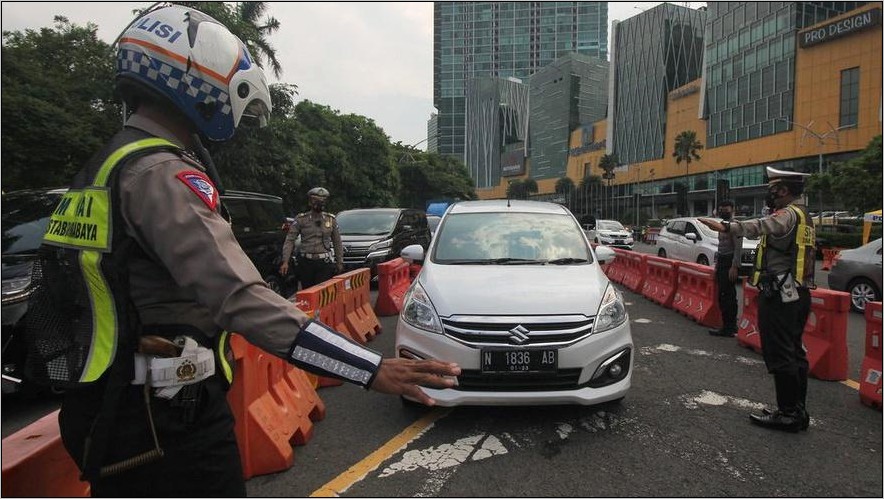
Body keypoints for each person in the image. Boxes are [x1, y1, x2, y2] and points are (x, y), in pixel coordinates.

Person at [28, 6, 460, 496]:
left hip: (112, 404)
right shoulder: (161, 175)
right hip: (162, 422)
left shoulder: (105, 166)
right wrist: (370, 367)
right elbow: (240, 297)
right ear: (197, 83)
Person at [698, 167, 815, 433]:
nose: (769, 193)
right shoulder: (804, 215)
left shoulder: (787, 214)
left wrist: (729, 226)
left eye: (772, 188)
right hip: (798, 293)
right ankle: (796, 410)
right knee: (794, 352)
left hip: (782, 294)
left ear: (783, 190)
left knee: (781, 353)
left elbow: (764, 225)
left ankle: (788, 413)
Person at [279, 187, 344, 289]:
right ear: (310, 202)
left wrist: (339, 262)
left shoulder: (330, 220)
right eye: (316, 200)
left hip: (324, 262)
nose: (319, 203)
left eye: (323, 200)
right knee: (308, 291)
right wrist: (285, 261)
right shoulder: (301, 219)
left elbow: (337, 242)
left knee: (323, 292)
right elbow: (290, 240)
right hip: (306, 262)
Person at [708, 200, 742, 337]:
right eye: (721, 209)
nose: (723, 211)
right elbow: (721, 246)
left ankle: (729, 327)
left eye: (726, 209)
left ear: (732, 210)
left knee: (728, 296)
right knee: (723, 294)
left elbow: (738, 248)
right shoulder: (722, 225)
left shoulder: (735, 226)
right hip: (722, 261)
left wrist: (734, 266)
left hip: (729, 261)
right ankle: (728, 325)